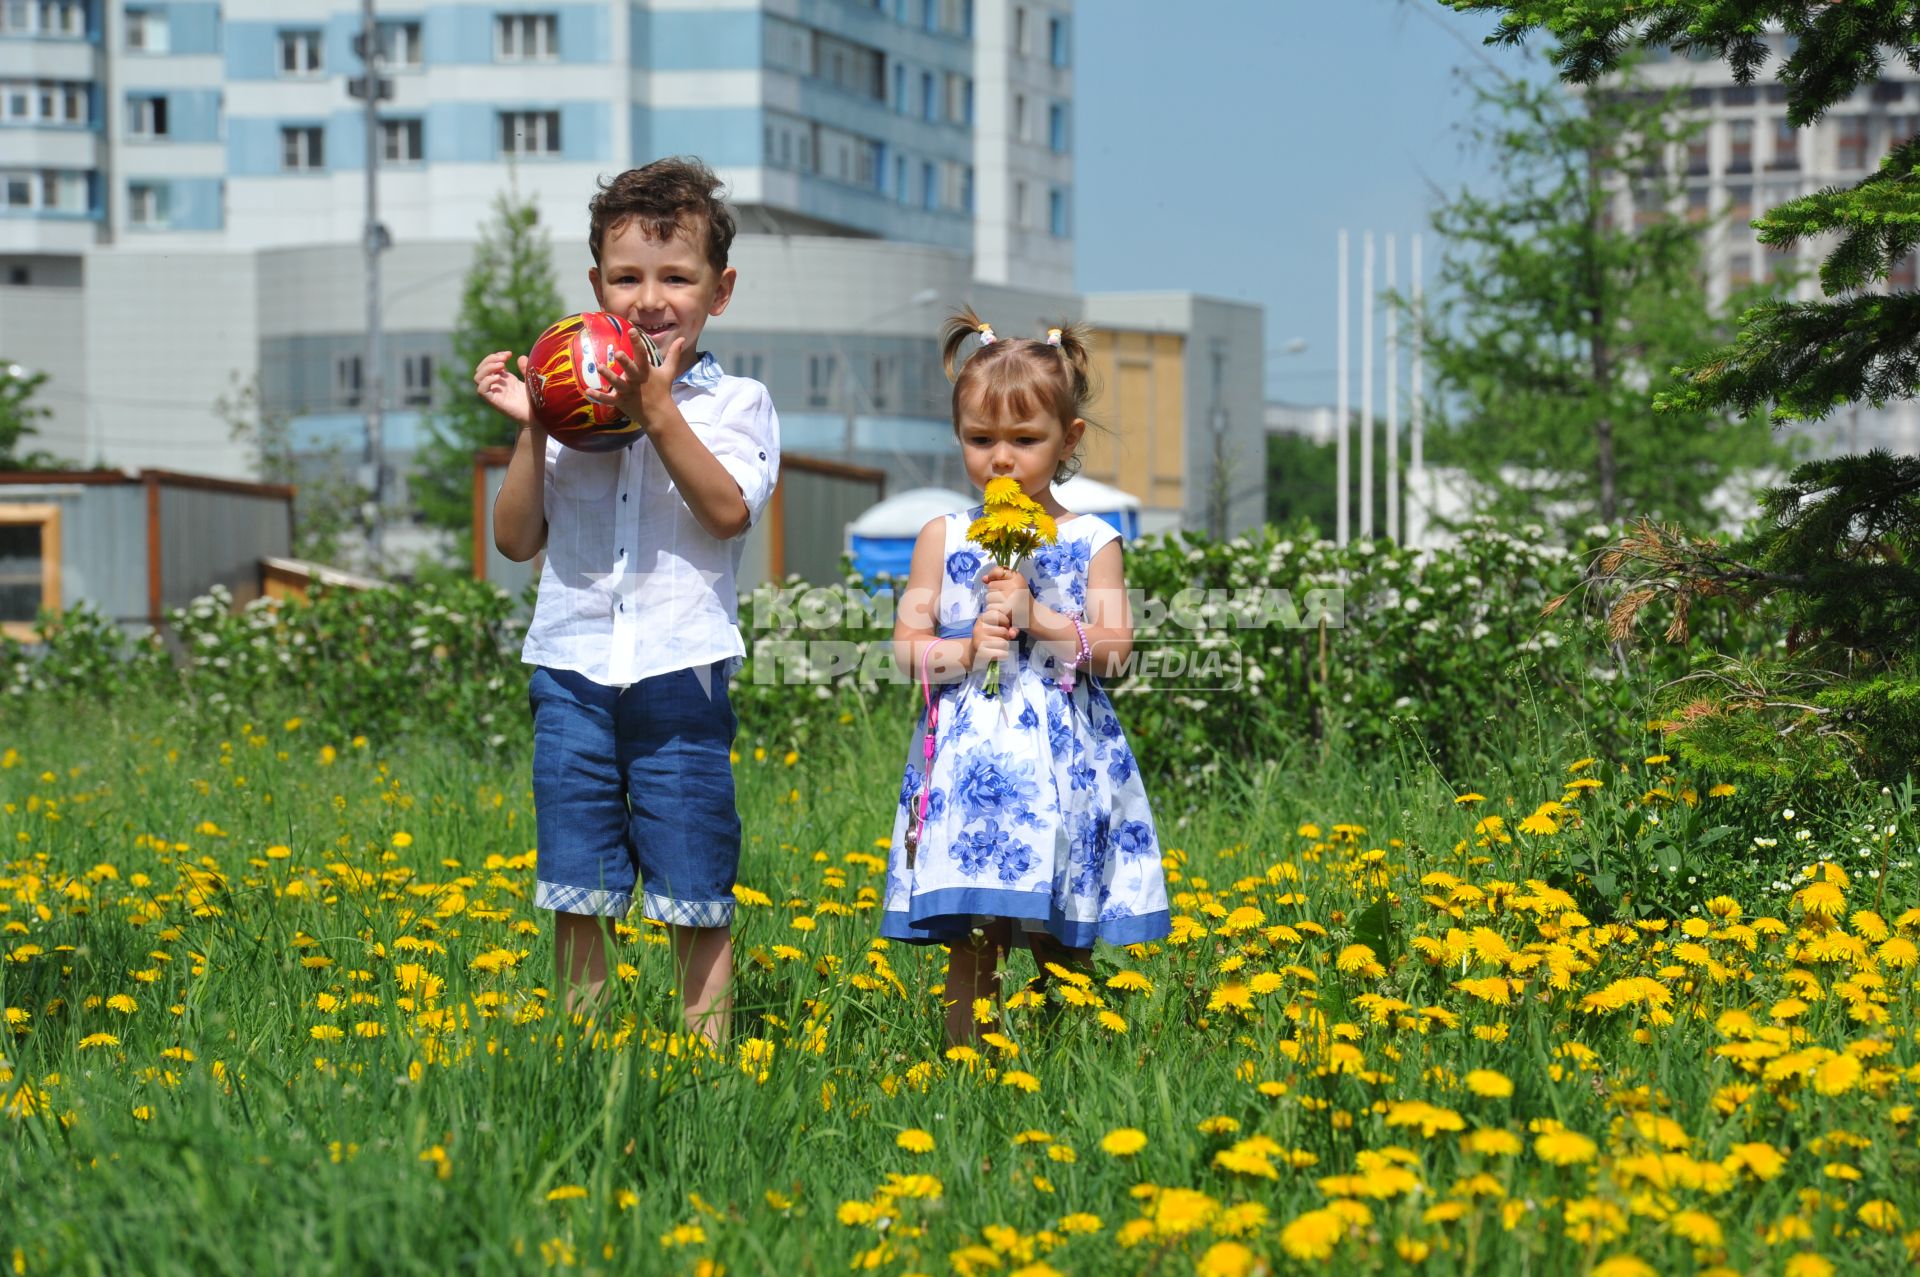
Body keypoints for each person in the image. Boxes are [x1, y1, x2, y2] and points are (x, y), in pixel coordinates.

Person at [474, 156, 779, 1044]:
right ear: (596, 286)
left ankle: (708, 1062)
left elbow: (725, 512)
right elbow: (515, 538)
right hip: (570, 669)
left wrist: (656, 411)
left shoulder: (736, 404)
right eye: (628, 277)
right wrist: (538, 425)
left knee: (694, 876)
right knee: (578, 878)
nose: (651, 299)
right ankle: (583, 1048)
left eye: (676, 277)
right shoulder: (568, 409)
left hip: (679, 672)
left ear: (718, 291)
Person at [884, 308, 1170, 1045]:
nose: (1001, 459)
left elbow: (1116, 650)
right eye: (981, 440)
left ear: (1068, 440)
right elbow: (906, 649)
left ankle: (1064, 1058)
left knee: (1061, 927)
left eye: (1024, 439)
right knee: (971, 930)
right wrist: (965, 649)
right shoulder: (940, 536)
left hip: (1063, 761)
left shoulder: (1092, 540)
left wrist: (1039, 618)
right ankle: (964, 1063)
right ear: (958, 438)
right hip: (969, 761)